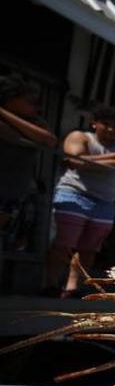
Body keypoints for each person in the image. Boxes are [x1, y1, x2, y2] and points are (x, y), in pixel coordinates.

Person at [44, 105, 115, 297]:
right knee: (63, 243)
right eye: (106, 124)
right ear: (95, 124)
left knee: (89, 249)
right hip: (74, 194)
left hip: (105, 201)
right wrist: (113, 157)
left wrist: (89, 161)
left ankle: (72, 287)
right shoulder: (80, 136)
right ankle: (50, 284)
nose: (111, 130)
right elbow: (75, 159)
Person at [0, 74, 57, 253]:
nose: (37, 107)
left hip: (11, 191)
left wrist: (4, 113)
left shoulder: (37, 122)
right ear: (10, 99)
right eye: (30, 101)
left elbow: (48, 140)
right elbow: (7, 134)